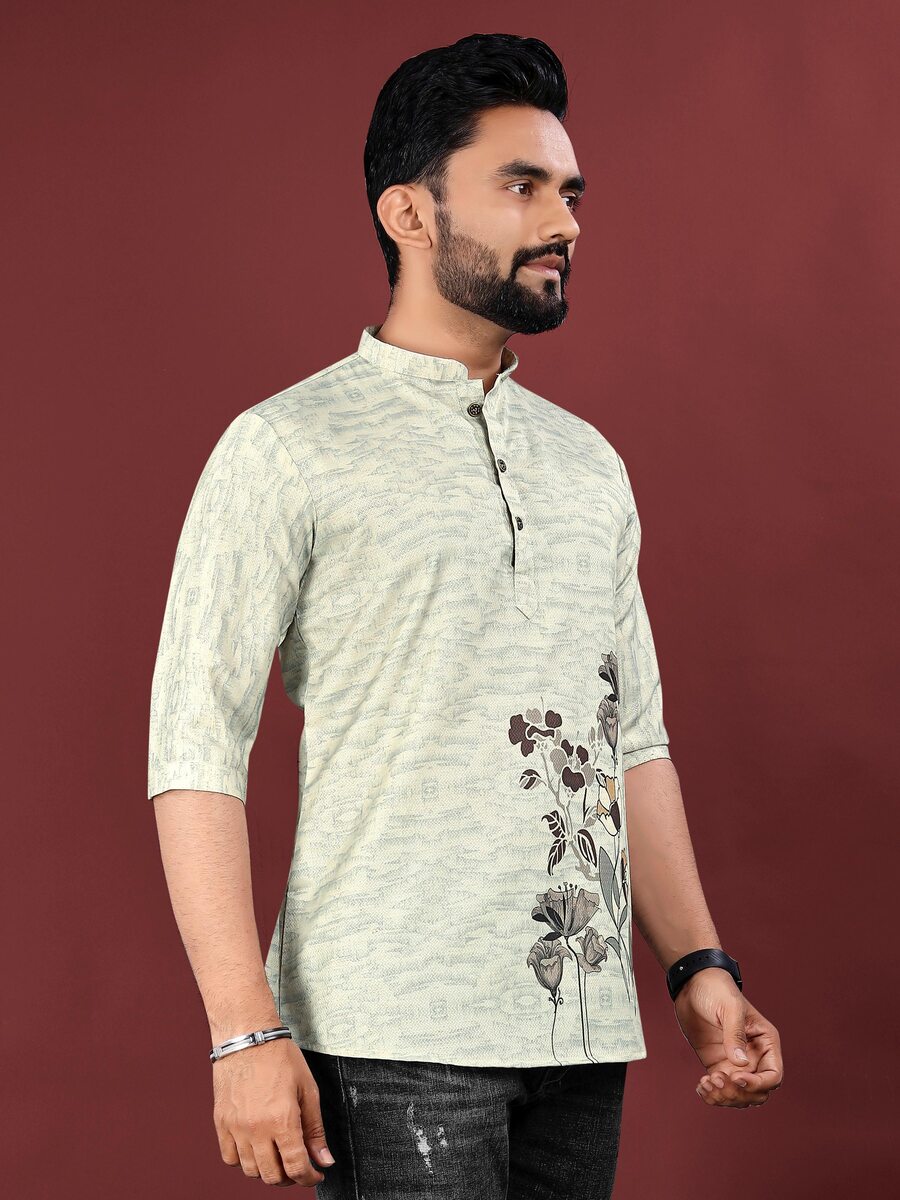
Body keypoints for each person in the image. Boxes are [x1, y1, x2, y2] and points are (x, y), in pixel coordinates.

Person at [148, 31, 784, 1198]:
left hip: (580, 1026)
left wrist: (698, 964)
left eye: (571, 192)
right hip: (390, 1030)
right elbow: (195, 751)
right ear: (409, 213)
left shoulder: (588, 468)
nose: (565, 221)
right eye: (522, 186)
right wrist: (244, 1029)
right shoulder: (287, 447)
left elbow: (630, 743)